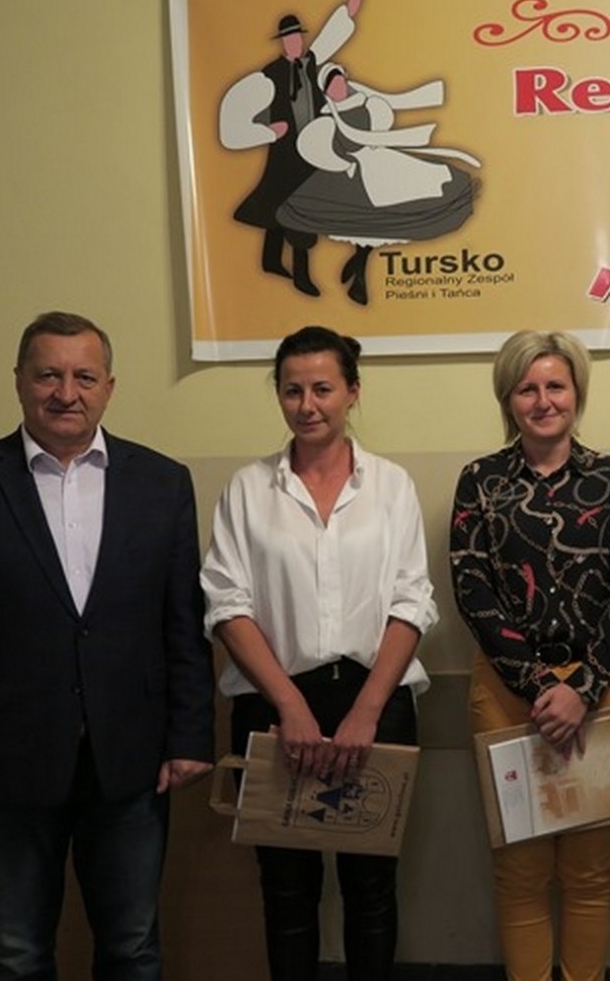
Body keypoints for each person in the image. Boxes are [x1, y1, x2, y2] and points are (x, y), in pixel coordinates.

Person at [0, 311, 214, 980]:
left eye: (84, 377)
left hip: (131, 764)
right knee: (16, 956)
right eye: (48, 375)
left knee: (133, 949)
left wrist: (191, 736)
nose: (66, 393)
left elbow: (182, 625)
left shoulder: (163, 483)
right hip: (7, 768)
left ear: (109, 387)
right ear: (19, 381)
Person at [201, 324, 436, 981]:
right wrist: (290, 705)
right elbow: (226, 603)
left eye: (323, 389)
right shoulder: (248, 490)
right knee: (287, 890)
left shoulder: (391, 486)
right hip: (274, 704)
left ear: (352, 391)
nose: (307, 405)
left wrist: (366, 711)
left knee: (371, 887)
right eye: (292, 390)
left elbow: (412, 601)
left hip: (376, 700)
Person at [449, 330, 610, 981]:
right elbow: (472, 589)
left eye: (555, 386)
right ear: (507, 399)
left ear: (576, 393)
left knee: (590, 871)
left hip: (602, 690)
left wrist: (581, 689)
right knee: (521, 869)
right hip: (509, 693)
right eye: (526, 389)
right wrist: (541, 685)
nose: (543, 401)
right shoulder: (480, 481)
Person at [277, 61, 479, 306]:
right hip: (345, 169)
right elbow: (325, 148)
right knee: (331, 214)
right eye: (332, 86)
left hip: (374, 161)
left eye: (340, 83)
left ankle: (358, 273)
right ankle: (337, 274)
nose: (338, 88)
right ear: (326, 90)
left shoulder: (368, 105)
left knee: (380, 214)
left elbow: (376, 134)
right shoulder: (327, 117)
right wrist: (344, 160)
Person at [218, 0, 363, 295]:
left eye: (298, 38)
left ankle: (272, 261)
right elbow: (236, 115)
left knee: (291, 206)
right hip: (286, 154)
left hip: (311, 151)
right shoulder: (270, 74)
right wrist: (269, 131)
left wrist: (347, 12)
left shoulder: (311, 62)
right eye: (289, 39)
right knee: (284, 205)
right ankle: (299, 274)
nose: (295, 43)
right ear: (283, 43)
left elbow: (329, 39)